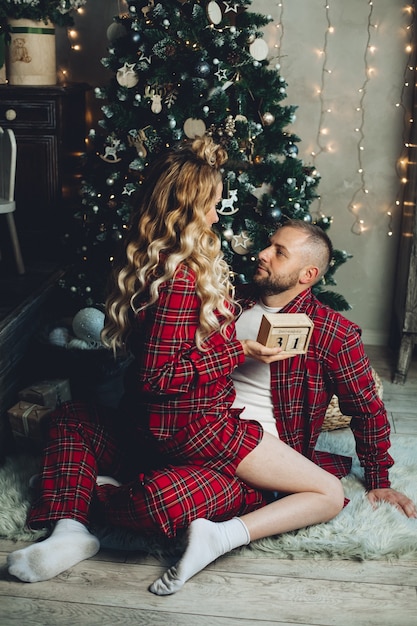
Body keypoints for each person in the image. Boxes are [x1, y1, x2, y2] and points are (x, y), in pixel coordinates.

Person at [7, 137, 344, 595]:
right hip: (198, 429)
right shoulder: (183, 276)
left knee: (75, 424)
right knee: (327, 492)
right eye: (212, 204)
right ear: (189, 207)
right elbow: (156, 376)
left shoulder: (154, 261)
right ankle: (81, 526)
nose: (216, 215)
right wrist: (239, 350)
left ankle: (72, 517)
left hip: (151, 427)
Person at [232, 219, 416, 518]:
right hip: (203, 426)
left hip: (264, 451)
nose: (263, 254)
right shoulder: (230, 301)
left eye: (280, 252)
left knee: (171, 500)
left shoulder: (333, 333)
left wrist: (379, 480)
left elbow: (367, 409)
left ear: (308, 274)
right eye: (269, 245)